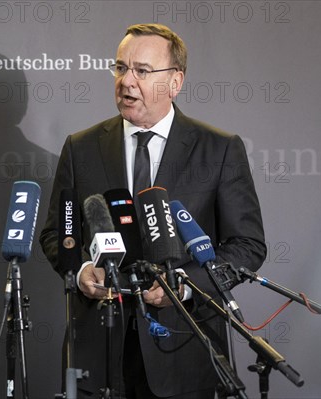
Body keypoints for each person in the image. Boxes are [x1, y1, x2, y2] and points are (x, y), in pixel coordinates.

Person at [40, 24, 266, 398]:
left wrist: (186, 285)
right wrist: (80, 269)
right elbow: (56, 233)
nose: (126, 81)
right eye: (120, 68)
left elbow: (248, 246)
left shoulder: (219, 149)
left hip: (183, 351)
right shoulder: (81, 147)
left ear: (175, 82)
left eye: (142, 71)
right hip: (100, 350)